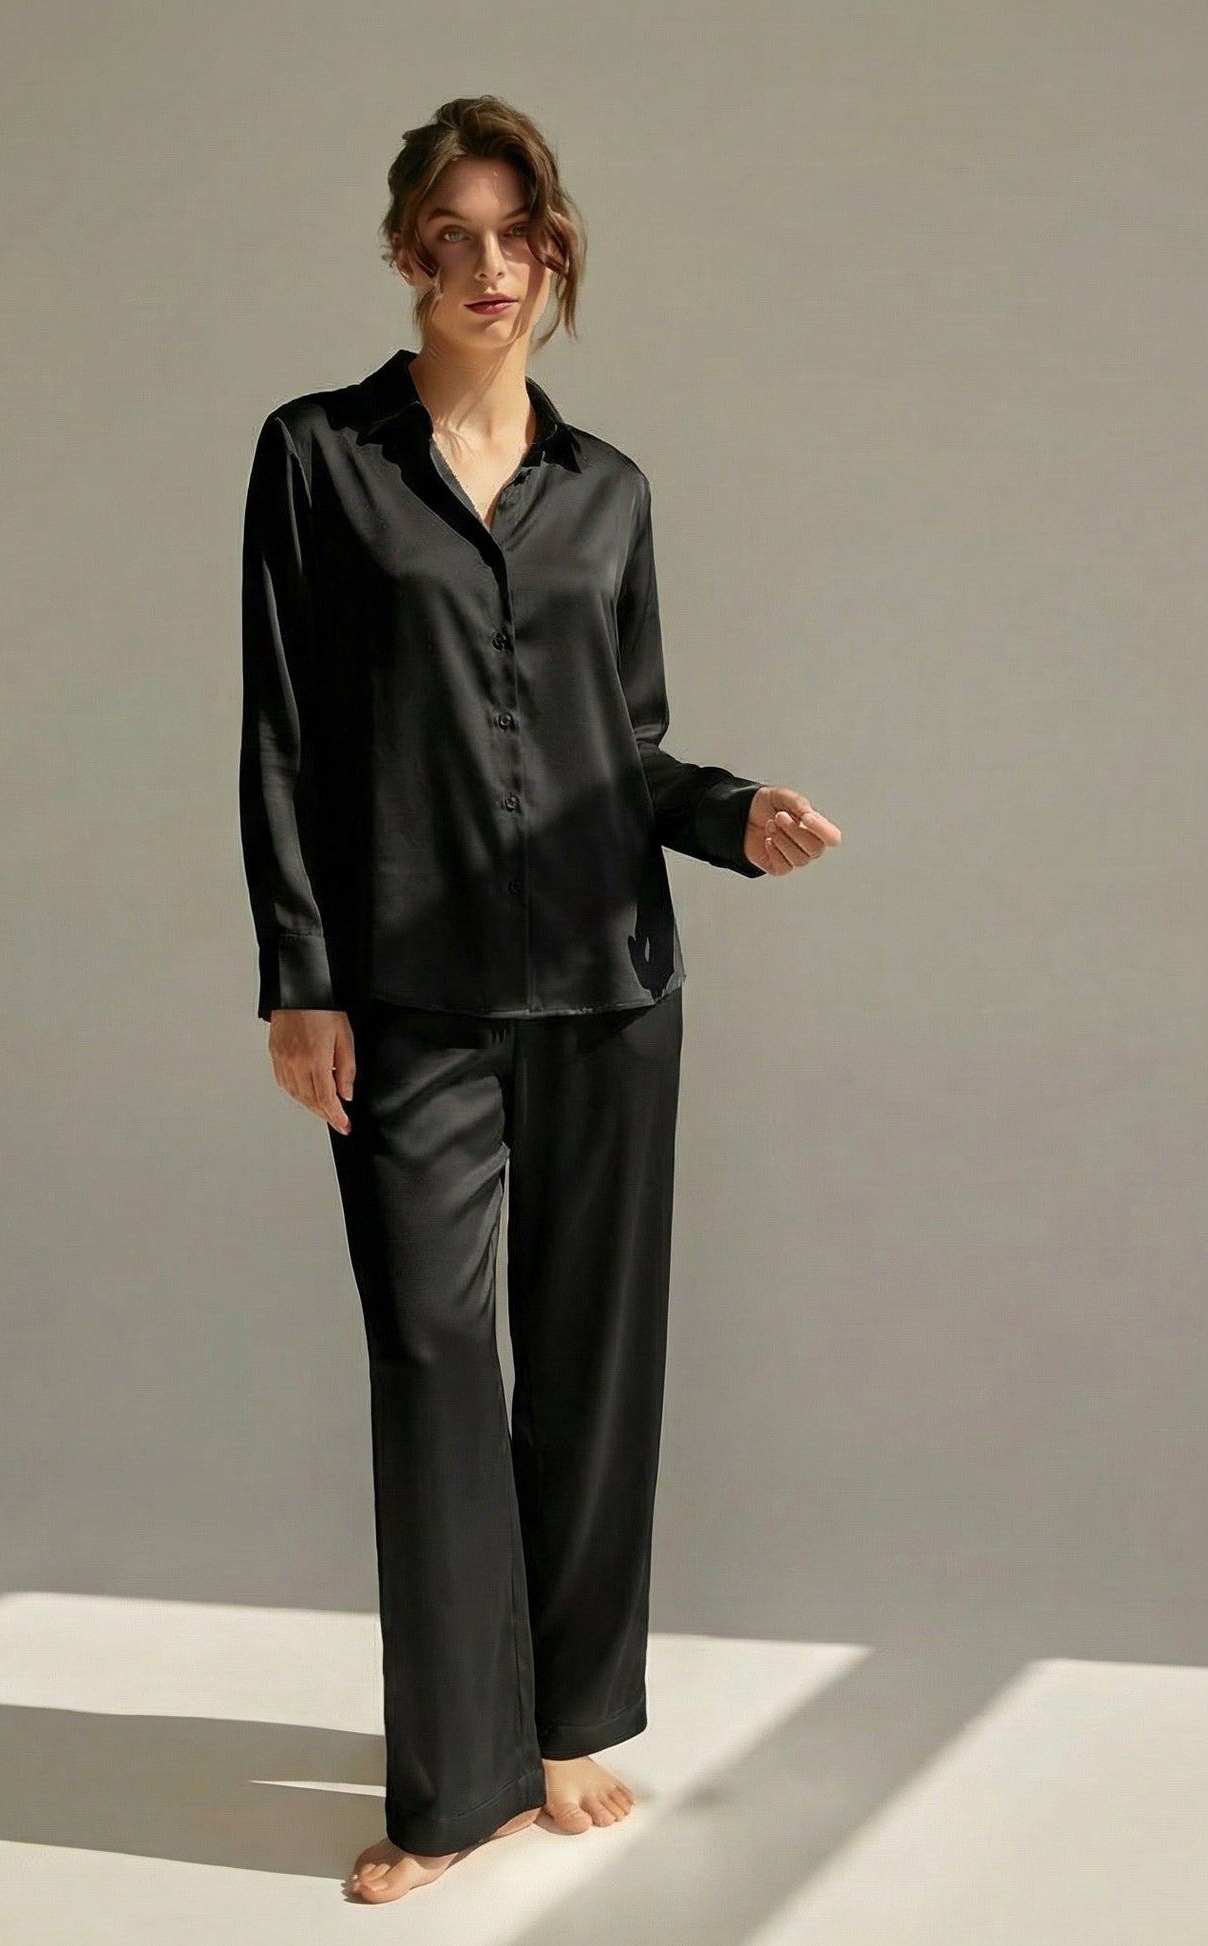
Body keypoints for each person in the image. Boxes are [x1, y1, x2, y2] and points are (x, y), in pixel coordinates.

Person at [238, 94, 841, 1906]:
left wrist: (732, 814)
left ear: (552, 252)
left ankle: (566, 1727)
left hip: (606, 984)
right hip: (404, 997)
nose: (488, 267)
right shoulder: (318, 459)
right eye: (454, 237)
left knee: (589, 1362)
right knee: (432, 1356)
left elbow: (623, 750)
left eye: (517, 235)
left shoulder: (609, 492)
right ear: (407, 254)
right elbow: (282, 736)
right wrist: (299, 978)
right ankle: (455, 1782)